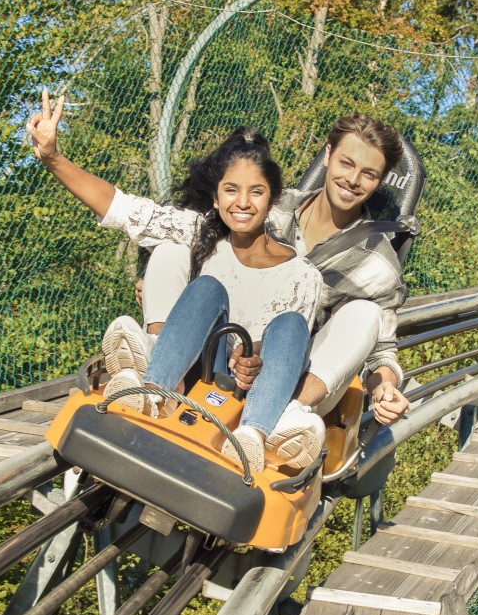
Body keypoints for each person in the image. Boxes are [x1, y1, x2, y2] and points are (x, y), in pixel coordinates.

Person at [27, 91, 323, 474]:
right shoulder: (201, 234)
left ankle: (251, 437)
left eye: (256, 192)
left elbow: (289, 346)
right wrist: (53, 158)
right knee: (207, 288)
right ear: (215, 199)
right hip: (204, 370)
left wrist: (253, 357)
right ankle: (154, 391)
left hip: (252, 388)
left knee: (292, 325)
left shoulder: (303, 274)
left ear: (272, 200)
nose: (243, 202)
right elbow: (122, 207)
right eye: (231, 190)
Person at [132, 114, 413, 472]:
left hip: (294, 371)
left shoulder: (380, 264)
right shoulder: (271, 204)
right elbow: (207, 246)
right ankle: (155, 359)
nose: (353, 180)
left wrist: (385, 389)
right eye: (346, 163)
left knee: (365, 314)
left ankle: (283, 419)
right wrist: (162, 285)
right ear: (328, 155)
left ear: (379, 180)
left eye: (369, 174)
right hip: (225, 344)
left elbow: (381, 352)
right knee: (170, 250)